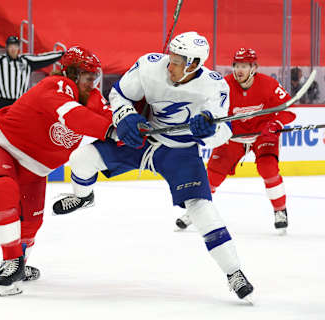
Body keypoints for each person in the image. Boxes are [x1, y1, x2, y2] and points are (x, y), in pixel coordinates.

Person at [52, 32, 254, 301]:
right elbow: (119, 95)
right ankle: (83, 196)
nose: (170, 65)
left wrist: (208, 130)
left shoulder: (214, 87)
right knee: (81, 160)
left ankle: (234, 272)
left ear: (194, 64)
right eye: (170, 57)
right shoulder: (150, 65)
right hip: (143, 138)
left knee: (202, 209)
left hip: (180, 153)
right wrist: (126, 117)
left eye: (177, 61)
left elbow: (223, 130)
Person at [0, 46, 114, 296]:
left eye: (94, 76)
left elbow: (113, 120)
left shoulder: (92, 99)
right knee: (2, 187)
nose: (92, 82)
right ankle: (12, 261)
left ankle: (20, 262)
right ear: (71, 73)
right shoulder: (56, 86)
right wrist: (111, 130)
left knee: (32, 223)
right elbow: (73, 117)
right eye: (86, 75)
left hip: (35, 169)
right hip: (0, 146)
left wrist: (135, 130)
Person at [175, 48, 296, 233]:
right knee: (213, 175)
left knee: (268, 168)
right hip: (233, 137)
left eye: (244, 66)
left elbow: (290, 110)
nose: (239, 70)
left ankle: (280, 211)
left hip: (262, 136)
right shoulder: (224, 85)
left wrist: (275, 123)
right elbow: (212, 110)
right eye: (237, 65)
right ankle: (195, 212)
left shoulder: (269, 84)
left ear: (254, 67)